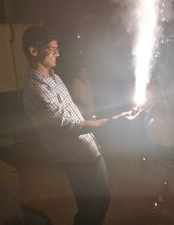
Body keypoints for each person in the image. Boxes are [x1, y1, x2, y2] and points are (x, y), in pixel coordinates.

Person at [21, 26, 139, 225]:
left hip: (89, 151)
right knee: (91, 211)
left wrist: (106, 118)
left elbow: (72, 113)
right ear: (34, 51)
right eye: (52, 48)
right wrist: (111, 122)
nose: (58, 53)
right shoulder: (36, 90)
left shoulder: (55, 77)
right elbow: (67, 125)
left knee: (102, 202)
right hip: (74, 159)